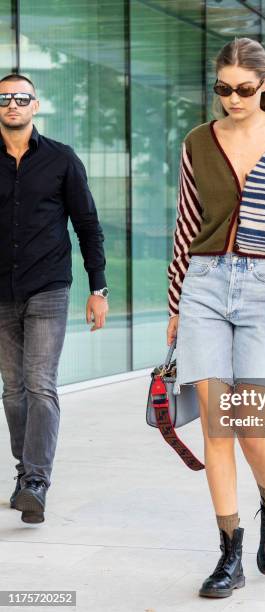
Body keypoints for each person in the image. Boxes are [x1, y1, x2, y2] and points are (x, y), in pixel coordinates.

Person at [166, 37, 265, 598]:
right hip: (205, 285)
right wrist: (176, 303)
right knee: (216, 424)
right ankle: (229, 551)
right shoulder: (197, 142)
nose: (233, 99)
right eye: (223, 89)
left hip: (263, 288)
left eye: (245, 90)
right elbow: (186, 224)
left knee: (250, 421)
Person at [0, 73, 109, 524]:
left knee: (40, 383)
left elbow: (88, 225)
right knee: (12, 390)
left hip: (48, 286)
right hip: (0, 294)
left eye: (21, 98)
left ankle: (37, 482)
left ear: (35, 105)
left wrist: (97, 288)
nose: (12, 105)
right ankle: (26, 475)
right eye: (5, 99)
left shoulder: (61, 159)